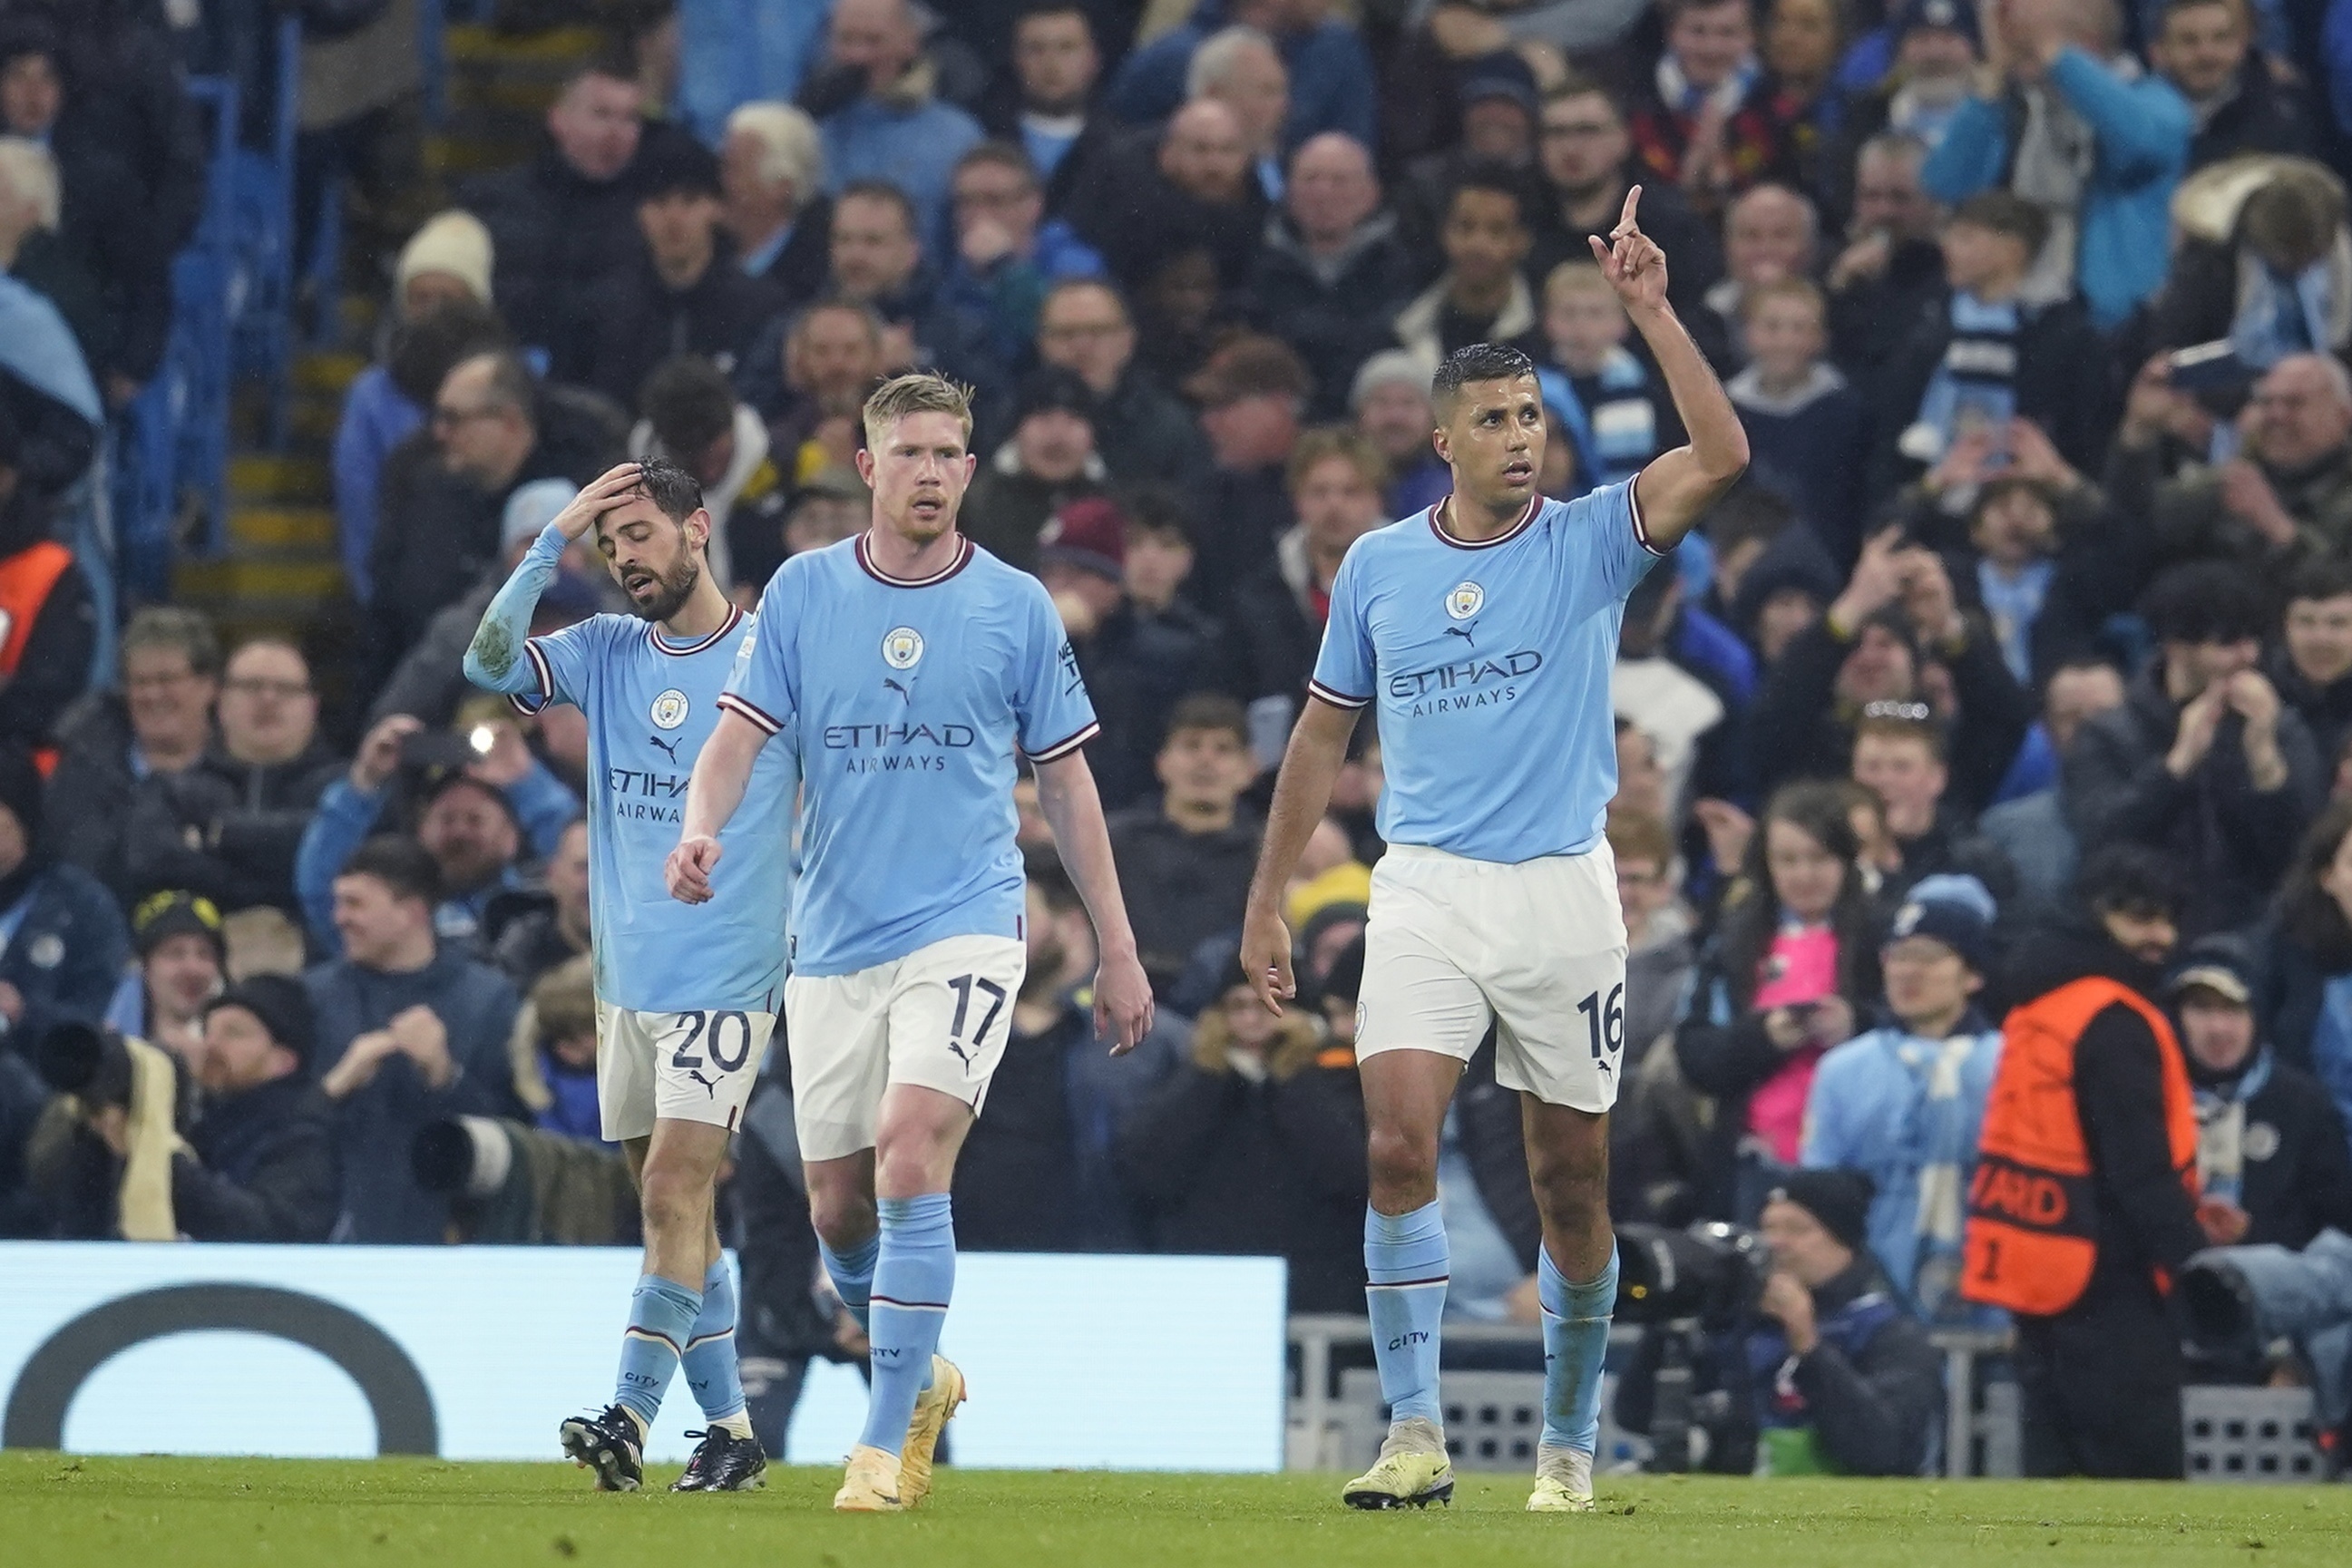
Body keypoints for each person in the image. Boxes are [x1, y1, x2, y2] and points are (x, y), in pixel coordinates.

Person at [1238, 185, 1749, 1513]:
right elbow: (1316, 739)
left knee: (1568, 1182)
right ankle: (1415, 1437)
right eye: (1497, 421)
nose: (1523, 437)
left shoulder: (1590, 542)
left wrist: (1652, 310)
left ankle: (1567, 1445)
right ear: (1443, 438)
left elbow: (1725, 455)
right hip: (1425, 890)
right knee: (1397, 1142)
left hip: (1564, 896)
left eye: (1533, 416)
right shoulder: (1377, 567)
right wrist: (1268, 901)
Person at [668, 371, 1153, 1512]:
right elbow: (737, 739)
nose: (930, 473)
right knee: (836, 1206)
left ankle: (879, 1447)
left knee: (908, 1151)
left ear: (970, 472)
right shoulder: (799, 593)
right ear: (866, 465)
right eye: (911, 454)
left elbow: (1069, 785)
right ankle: (921, 1373)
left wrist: (1118, 947)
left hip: (970, 927)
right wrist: (699, 827)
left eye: (949, 455)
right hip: (831, 940)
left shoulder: (1017, 604)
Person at [464, 459, 797, 1495]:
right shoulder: (606, 649)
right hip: (628, 978)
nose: (625, 559)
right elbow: (488, 664)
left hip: (729, 971)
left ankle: (627, 1416)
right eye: (611, 546)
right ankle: (733, 1433)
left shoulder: (769, 654)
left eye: (640, 535)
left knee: (671, 1188)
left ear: (698, 528)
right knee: (678, 1218)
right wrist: (551, 537)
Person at [1963, 843, 2203, 1478]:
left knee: (2056, 1485)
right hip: (2112, 1282)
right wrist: (2197, 1269)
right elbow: (2137, 1170)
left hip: (2041, 1271)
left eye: (2167, 919)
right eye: (2139, 918)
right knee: (2140, 1494)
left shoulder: (2035, 1003)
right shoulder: (2113, 1017)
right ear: (2096, 916)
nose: (2161, 937)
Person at [1613, 1170, 1945, 1475]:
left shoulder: (1887, 1331)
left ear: (1845, 1243)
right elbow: (1634, 1413)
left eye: (1797, 1230)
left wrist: (1809, 1346)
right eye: (1768, 1228)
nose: (1776, 1244)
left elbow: (1883, 1449)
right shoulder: (1736, 1319)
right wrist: (1673, 1316)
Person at [2066, 561, 2322, 937]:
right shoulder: (2108, 735)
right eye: (2227, 643)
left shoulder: (2283, 727)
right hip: (2144, 926)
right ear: (2177, 646)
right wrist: (2175, 766)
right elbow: (2100, 834)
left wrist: (2265, 760)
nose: (2248, 655)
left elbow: (2303, 850)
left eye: (2252, 640)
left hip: (2255, 930)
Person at [1116, 949, 1368, 1310]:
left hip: (1319, 1284)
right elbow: (1145, 1167)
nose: (1253, 1018)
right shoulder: (1194, 1080)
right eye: (1239, 1006)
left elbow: (1352, 1171)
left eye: (1270, 1004)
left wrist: (1286, 1078)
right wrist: (1216, 1078)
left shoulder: (1331, 1081)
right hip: (1211, 1282)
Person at [1801, 875, 2006, 1322]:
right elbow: (1823, 1193)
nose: (1909, 971)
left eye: (1929, 957)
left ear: (1972, 974)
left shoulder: (2010, 1065)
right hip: (1877, 1295)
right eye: (1899, 956)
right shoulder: (1843, 1070)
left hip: (1993, 1285)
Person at [1677, 781, 1883, 1222]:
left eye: (1819, 859)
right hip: (1753, 1165)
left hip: (1856, 1166)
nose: (1804, 876)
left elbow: (1916, 1032)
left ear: (1847, 861)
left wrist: (1856, 1025)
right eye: (1788, 860)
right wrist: (1764, 1038)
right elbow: (1695, 1055)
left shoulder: (1882, 935)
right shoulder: (1732, 942)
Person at [304, 835, 522, 1245]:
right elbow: (281, 1123)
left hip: (455, 1239)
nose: (339, 918)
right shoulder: (312, 998)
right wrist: (334, 1087)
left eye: (356, 904)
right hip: (333, 1235)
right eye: (338, 903)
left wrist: (445, 1076)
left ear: (412, 912)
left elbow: (517, 1133)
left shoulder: (488, 1001)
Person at [1921, 0, 2191, 330]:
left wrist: (2057, 57)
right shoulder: (2011, 108)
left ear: (2088, 42)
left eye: (2028, 36)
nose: (2019, 45)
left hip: (2112, 323)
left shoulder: (2154, 100)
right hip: (2016, 314)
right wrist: (1992, 81)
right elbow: (1946, 185)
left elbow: (2143, 145)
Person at [459, 54, 667, 354]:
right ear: (558, 119)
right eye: (601, 114)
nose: (616, 132)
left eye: (630, 118)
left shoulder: (654, 216)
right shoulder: (493, 203)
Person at [121, 638, 341, 918]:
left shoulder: (344, 789)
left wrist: (219, 834)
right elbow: (152, 866)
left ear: (313, 707)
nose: (268, 699)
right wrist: (280, 877)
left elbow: (345, 856)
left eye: (286, 689)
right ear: (222, 703)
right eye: (251, 687)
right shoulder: (172, 791)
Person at [2167, 934, 2352, 1253]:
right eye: (2201, 1009)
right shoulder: (2149, 1095)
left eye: (2233, 1008)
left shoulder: (2302, 1103)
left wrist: (2252, 1236)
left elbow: (2336, 1225)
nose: (2218, 1028)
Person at [570, 138, 781, 415]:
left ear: (716, 208)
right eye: (659, 201)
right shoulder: (602, 311)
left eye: (690, 200)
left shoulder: (760, 308)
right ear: (639, 212)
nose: (674, 218)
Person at [44, 607, 219, 906]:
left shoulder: (239, 769)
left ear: (207, 686)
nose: (152, 695)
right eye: (140, 682)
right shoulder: (83, 771)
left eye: (166, 680)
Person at [1249, 132, 1415, 422]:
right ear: (1288, 190)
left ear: (1371, 192)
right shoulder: (1257, 263)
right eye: (1310, 179)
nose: (1323, 192)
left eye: (1340, 180)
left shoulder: (1402, 265)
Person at [1108, 695, 1264, 999]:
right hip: (1125, 997)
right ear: (1161, 763)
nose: (1205, 760)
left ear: (1249, 769)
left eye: (1223, 749)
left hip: (1226, 1007)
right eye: (1191, 746)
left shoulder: (1266, 853)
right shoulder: (1114, 842)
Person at [170, 978, 340, 1243]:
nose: (210, 1046)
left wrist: (169, 1169)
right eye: (206, 1033)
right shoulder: (200, 1120)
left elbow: (271, 1225)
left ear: (283, 1061)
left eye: (234, 1033)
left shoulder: (303, 1135)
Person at [815, 0, 985, 242]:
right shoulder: (816, 129)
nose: (858, 56)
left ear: (910, 43)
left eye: (874, 40)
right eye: (846, 39)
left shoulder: (956, 136)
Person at [0, 745, 126, 1052]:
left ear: (23, 825)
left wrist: (24, 1011)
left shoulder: (83, 907)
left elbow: (99, 1020)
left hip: (45, 1083)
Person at [1627, 0, 1799, 215]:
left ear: (1752, 36)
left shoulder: (1779, 109)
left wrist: (1725, 176)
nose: (1711, 48)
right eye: (1698, 31)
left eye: (1727, 33)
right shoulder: (1637, 102)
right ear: (1671, 33)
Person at [1033, 278, 1206, 486]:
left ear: (1127, 341)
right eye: (1066, 334)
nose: (1082, 346)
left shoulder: (1170, 429)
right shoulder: (1009, 422)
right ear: (1042, 343)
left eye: (1097, 331)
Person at [960, 367, 1106, 573]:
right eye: (1044, 418)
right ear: (1017, 429)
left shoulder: (1111, 506)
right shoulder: (973, 506)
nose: (1058, 436)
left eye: (1072, 420)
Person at [981, 3, 1112, 210]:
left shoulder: (1117, 146)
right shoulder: (983, 135)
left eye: (1066, 48)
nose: (1052, 64)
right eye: (1036, 49)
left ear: (1093, 60)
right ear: (1016, 59)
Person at [2150, 0, 2308, 170]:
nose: (2206, 54)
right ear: (2159, 52)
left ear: (2241, 45)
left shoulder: (2280, 116)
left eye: (2220, 38)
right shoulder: (2142, 121)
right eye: (2189, 41)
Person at [719, 102, 831, 309]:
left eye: (733, 169)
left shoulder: (818, 277)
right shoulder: (708, 260)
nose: (720, 183)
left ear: (781, 186)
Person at [103, 890, 225, 1061]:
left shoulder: (235, 1057)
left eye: (204, 954)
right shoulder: (109, 1043)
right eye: (175, 954)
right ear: (144, 967)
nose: (192, 969)